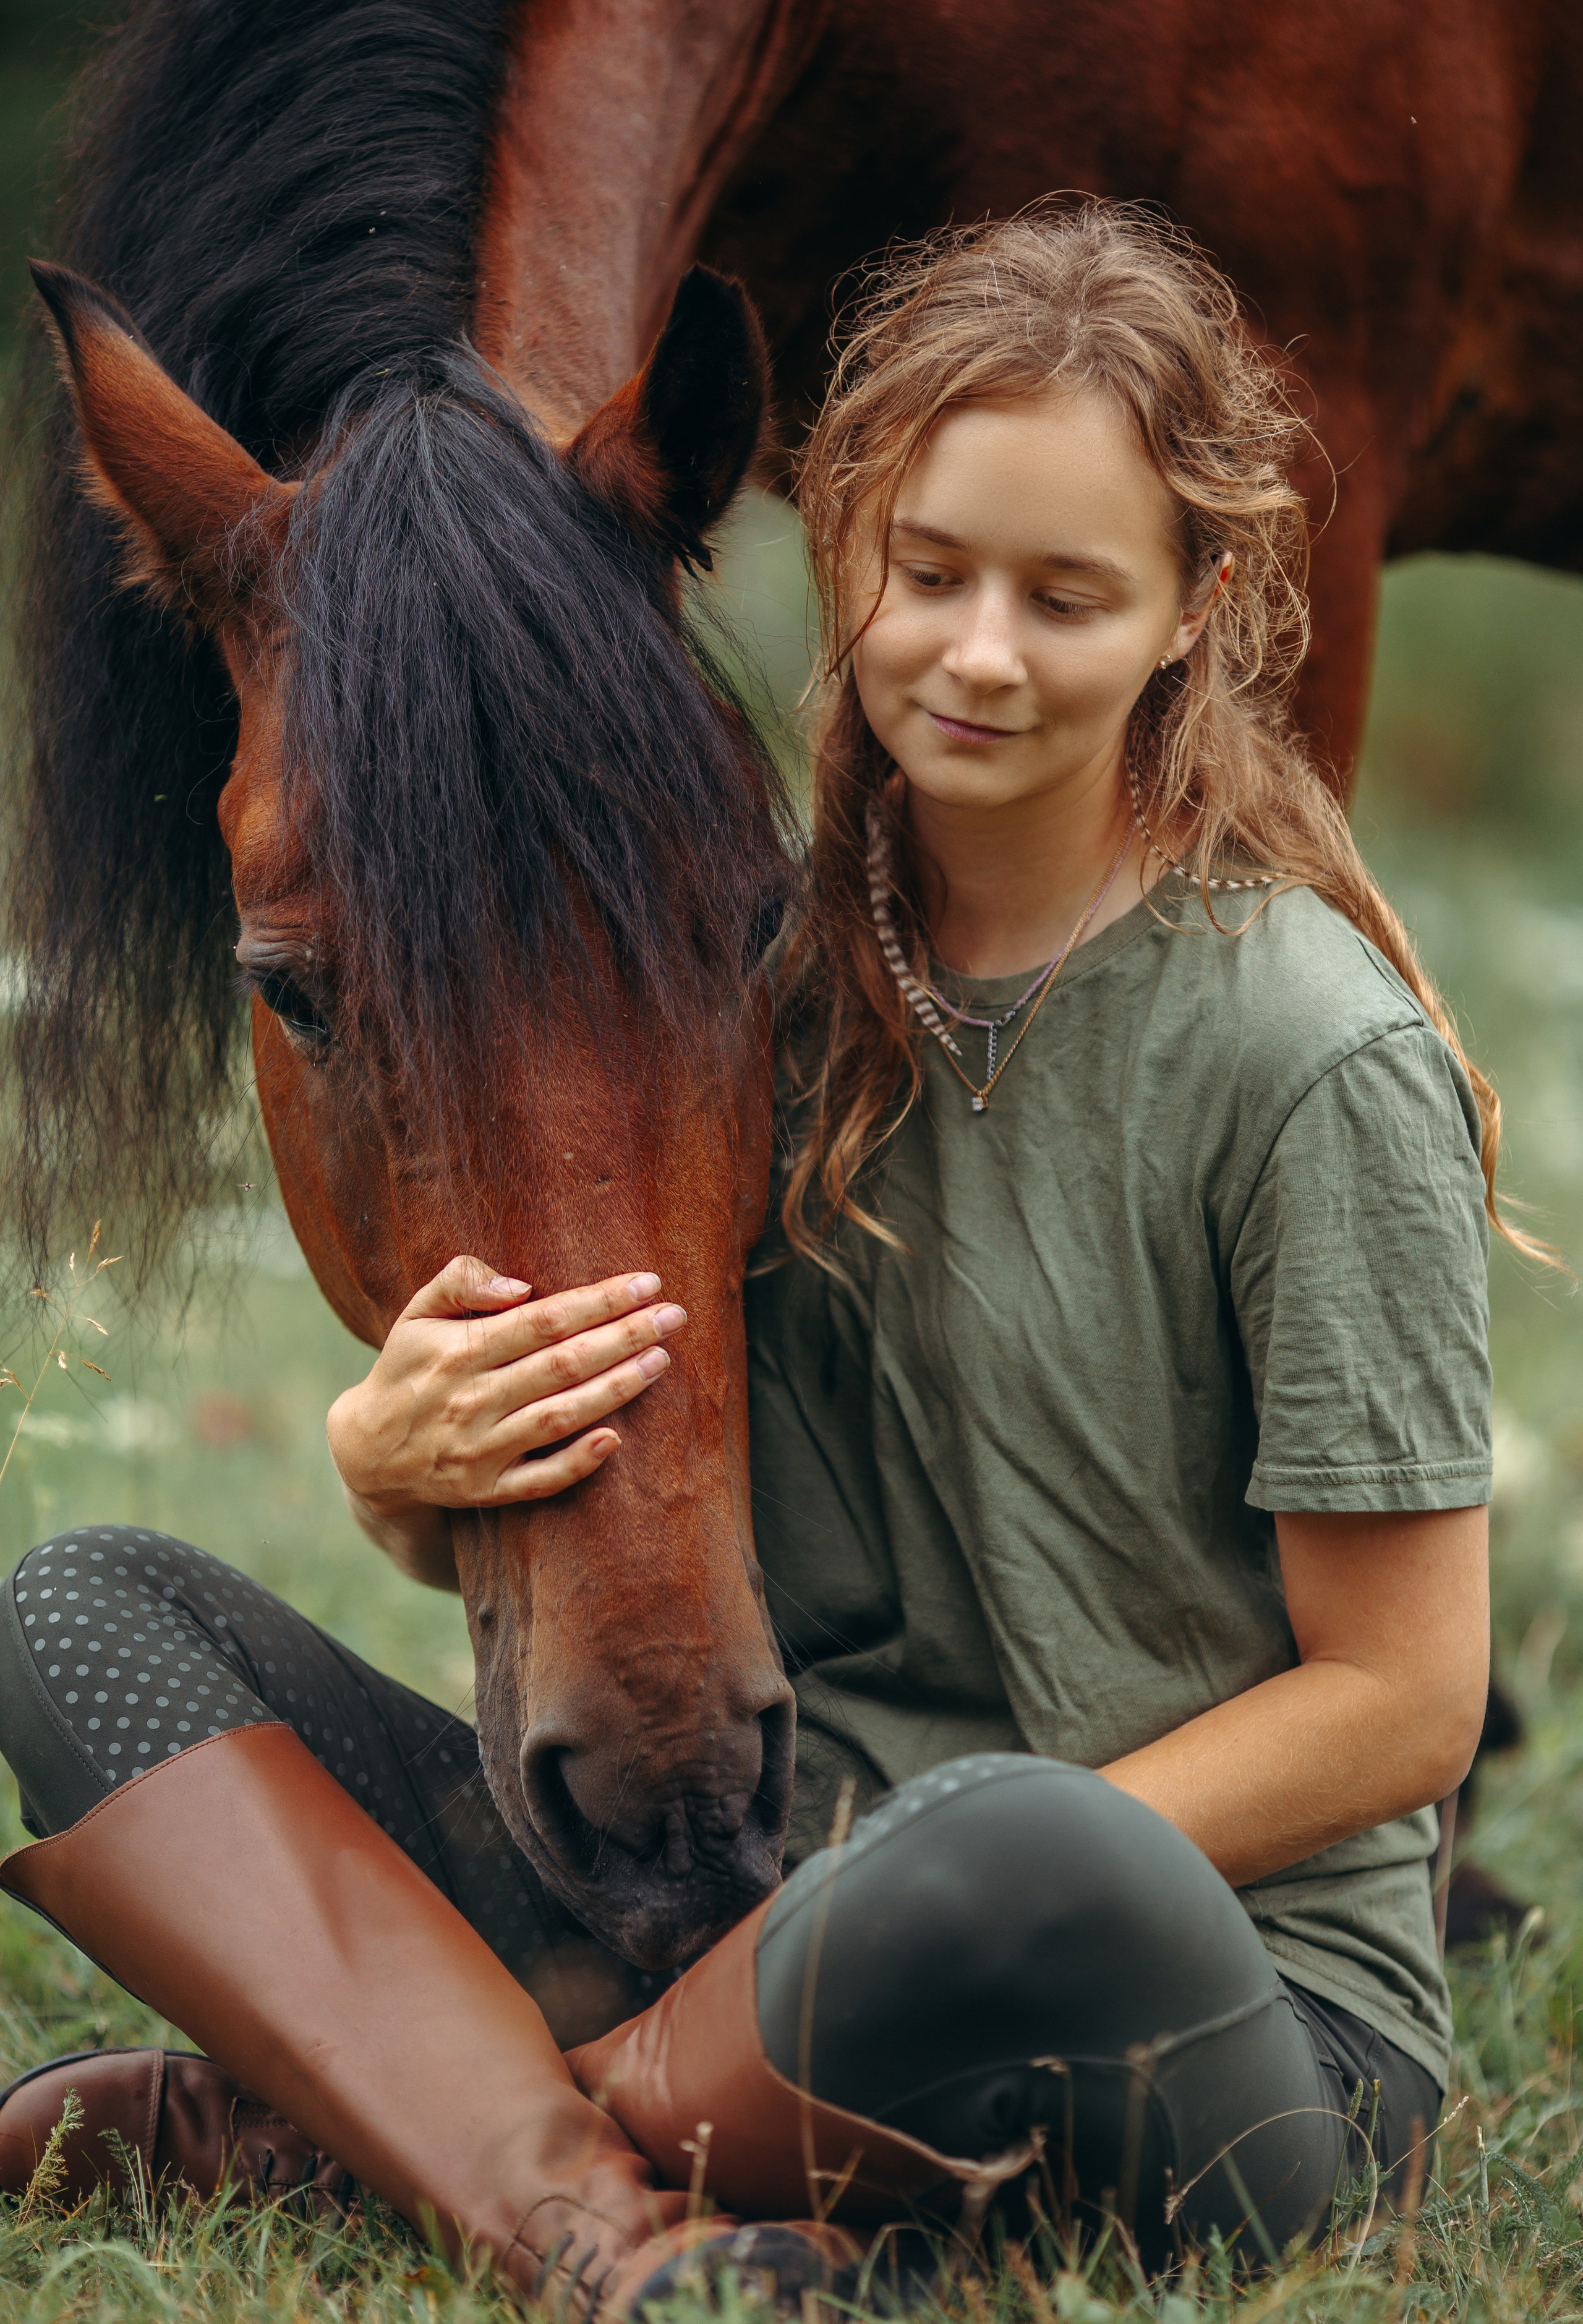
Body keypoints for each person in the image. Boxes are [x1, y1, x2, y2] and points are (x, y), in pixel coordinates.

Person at [0, 203, 1500, 2290]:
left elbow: (1406, 1707)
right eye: (931, 571)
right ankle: (602, 2193)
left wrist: (883, 1898)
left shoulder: (1306, 1057)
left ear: (1196, 609)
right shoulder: (733, 989)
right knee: (74, 1611)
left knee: (1008, 1841)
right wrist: (394, 1472)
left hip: (1176, 1989)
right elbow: (640, 1482)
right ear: (841, 553)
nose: (980, 652)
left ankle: (390, 2124)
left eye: (1068, 594)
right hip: (755, 1893)